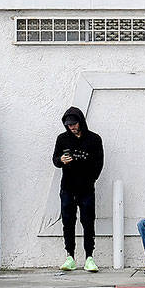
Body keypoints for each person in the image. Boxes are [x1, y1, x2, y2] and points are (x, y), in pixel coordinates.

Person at [53, 106, 104, 273]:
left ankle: (89, 256)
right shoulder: (62, 139)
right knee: (68, 221)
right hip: (67, 186)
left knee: (88, 221)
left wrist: (90, 179)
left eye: (74, 124)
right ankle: (70, 256)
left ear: (80, 122)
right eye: (69, 125)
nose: (72, 127)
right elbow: (55, 159)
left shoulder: (94, 139)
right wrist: (61, 160)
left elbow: (99, 163)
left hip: (86, 187)